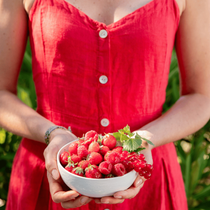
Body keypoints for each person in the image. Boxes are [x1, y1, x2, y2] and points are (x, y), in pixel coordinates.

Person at [0, 0, 210, 209]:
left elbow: (201, 97)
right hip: (50, 170)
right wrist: (52, 133)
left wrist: (145, 139)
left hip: (147, 177)